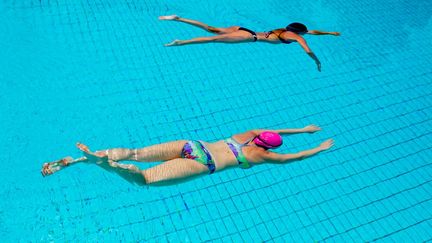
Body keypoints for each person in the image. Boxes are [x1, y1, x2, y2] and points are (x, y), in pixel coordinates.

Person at [41, 125, 334, 186]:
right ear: (268, 146)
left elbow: (274, 128)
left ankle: (84, 158)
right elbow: (292, 158)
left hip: (194, 145)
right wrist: (317, 147)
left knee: (137, 151)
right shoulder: (261, 155)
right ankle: (102, 163)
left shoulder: (250, 134)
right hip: (203, 163)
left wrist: (302, 129)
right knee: (144, 178)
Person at [159, 15, 341, 71]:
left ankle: (178, 18)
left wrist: (330, 33)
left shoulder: (285, 30)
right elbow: (307, 49)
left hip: (245, 29)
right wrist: (316, 61)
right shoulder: (297, 37)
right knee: (212, 39)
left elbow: (312, 31)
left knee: (210, 28)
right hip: (248, 37)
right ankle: (180, 43)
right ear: (299, 32)